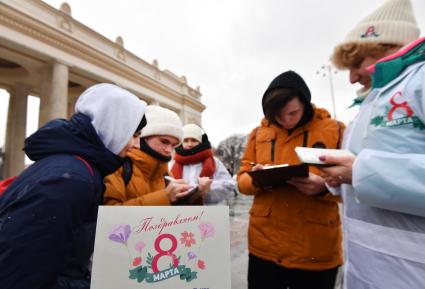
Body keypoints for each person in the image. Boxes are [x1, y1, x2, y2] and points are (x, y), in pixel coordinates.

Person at [320, 0, 425, 288]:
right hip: (364, 272)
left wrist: (358, 171)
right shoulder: (370, 102)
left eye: (356, 64)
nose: (352, 77)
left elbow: (365, 170)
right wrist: (332, 181)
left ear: (388, 47)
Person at [0, 83, 147, 289]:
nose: (136, 145)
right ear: (114, 125)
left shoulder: (75, 168)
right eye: (134, 134)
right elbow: (18, 276)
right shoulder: (71, 180)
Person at [237, 70, 344, 289]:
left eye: (293, 113)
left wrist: (324, 187)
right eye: (278, 115)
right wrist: (256, 179)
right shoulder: (258, 134)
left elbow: (354, 185)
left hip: (316, 252)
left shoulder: (335, 130)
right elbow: (241, 181)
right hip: (264, 248)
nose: (286, 120)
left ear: (305, 103)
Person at [104, 105, 192, 206]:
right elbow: (111, 214)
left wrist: (192, 196)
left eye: (173, 145)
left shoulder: (167, 174)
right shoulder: (117, 166)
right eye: (164, 141)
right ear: (143, 137)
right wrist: (165, 197)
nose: (169, 150)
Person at [170, 124, 235, 205]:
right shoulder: (171, 164)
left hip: (208, 213)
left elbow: (229, 184)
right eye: (185, 140)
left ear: (200, 142)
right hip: (178, 214)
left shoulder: (215, 162)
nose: (189, 144)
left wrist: (208, 188)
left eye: (194, 140)